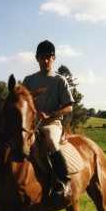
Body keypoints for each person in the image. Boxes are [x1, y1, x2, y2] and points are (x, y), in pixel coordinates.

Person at [22, 40, 75, 197]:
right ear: (36, 58)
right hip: (32, 123)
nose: (45, 60)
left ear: (54, 58)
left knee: (51, 140)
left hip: (52, 123)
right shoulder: (29, 80)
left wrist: (50, 114)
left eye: (49, 57)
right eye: (42, 57)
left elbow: (69, 106)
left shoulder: (60, 80)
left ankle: (65, 181)